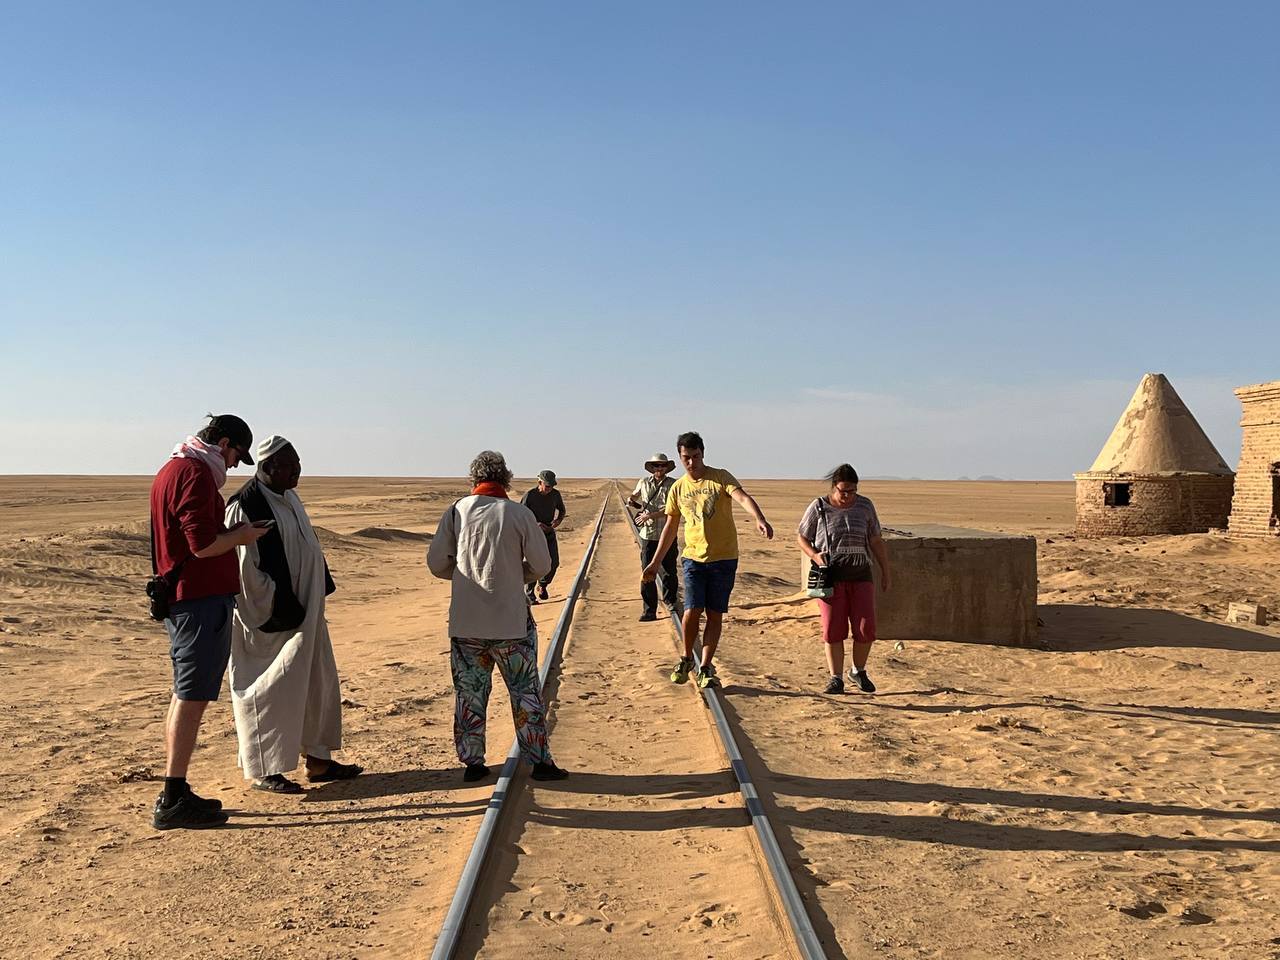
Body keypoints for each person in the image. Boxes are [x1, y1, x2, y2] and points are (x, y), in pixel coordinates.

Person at [149, 414, 269, 829]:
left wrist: (232, 532)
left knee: (186, 692)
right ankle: (172, 796)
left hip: (191, 598)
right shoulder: (194, 474)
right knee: (191, 694)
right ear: (222, 442)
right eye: (236, 454)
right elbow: (201, 547)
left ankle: (176, 789)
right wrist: (241, 536)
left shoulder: (175, 467)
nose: (235, 465)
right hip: (197, 600)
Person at [225, 436, 363, 793]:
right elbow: (243, 571)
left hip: (307, 614)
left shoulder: (290, 498)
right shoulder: (245, 506)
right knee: (269, 687)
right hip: (270, 620)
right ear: (267, 468)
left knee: (317, 682)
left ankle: (318, 760)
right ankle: (264, 770)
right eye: (290, 466)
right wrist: (273, 605)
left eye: (298, 465)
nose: (297, 472)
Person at [427, 451, 569, 782]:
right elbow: (543, 565)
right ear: (505, 478)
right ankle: (540, 763)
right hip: (511, 625)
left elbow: (436, 563)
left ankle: (474, 764)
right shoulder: (519, 514)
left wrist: (465, 576)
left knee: (469, 694)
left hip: (467, 625)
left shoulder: (456, 511)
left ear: (474, 480)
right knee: (525, 693)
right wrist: (511, 575)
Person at [643, 432, 774, 689]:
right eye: (686, 458)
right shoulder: (678, 488)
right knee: (692, 609)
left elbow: (742, 497)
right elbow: (671, 527)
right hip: (693, 557)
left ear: (702, 454)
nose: (691, 463)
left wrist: (759, 518)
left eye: (695, 457)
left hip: (724, 558)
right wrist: (655, 562)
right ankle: (685, 657)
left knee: (715, 614)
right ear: (680, 458)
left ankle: (705, 666)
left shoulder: (720, 476)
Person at [796, 464, 892, 694]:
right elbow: (802, 536)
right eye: (843, 491)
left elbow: (875, 539)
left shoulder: (865, 506)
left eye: (852, 491)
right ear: (834, 488)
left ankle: (858, 671)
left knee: (865, 627)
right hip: (832, 577)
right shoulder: (819, 507)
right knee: (833, 629)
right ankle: (836, 677)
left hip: (861, 575)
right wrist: (814, 555)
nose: (848, 496)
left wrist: (886, 570)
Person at [626, 452, 679, 621]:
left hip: (667, 533)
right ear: (652, 468)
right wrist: (632, 501)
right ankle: (649, 610)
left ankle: (670, 601)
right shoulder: (643, 482)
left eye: (662, 465)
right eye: (656, 466)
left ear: (667, 467)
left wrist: (651, 516)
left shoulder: (673, 485)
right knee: (647, 572)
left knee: (669, 571)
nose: (659, 468)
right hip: (648, 534)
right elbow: (633, 496)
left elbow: (672, 510)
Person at [520, 470, 565, 603]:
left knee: (554, 562)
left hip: (549, 533)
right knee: (534, 563)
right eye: (547, 486)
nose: (550, 489)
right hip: (533, 535)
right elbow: (521, 515)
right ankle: (530, 594)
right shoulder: (530, 495)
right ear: (540, 482)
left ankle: (543, 585)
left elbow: (562, 510)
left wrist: (557, 521)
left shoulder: (555, 495)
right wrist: (535, 524)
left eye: (552, 486)